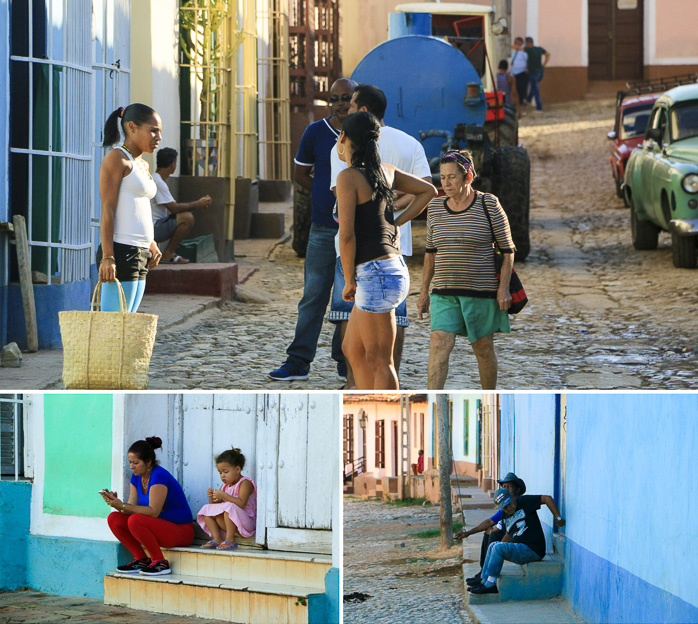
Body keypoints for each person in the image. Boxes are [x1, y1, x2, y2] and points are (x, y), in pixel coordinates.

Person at [329, 84, 432, 388]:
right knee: (351, 349)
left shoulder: (348, 177)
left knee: (379, 359)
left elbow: (347, 236)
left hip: (374, 273)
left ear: (346, 139)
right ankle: (365, 402)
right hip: (386, 270)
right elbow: (427, 190)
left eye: (340, 136)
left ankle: (387, 419)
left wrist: (349, 280)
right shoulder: (385, 170)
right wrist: (396, 222)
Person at [268, 78, 357, 382]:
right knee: (312, 297)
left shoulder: (366, 134)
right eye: (334, 99)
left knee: (346, 299)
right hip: (322, 229)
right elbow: (301, 174)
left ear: (355, 98)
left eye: (346, 97)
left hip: (356, 231)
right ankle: (298, 362)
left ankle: (345, 363)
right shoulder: (315, 132)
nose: (340, 103)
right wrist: (327, 195)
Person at [417, 150, 515, 390]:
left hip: (480, 292)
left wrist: (503, 290)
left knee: (482, 349)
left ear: (468, 177)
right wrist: (423, 292)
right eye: (442, 177)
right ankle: (433, 401)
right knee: (438, 344)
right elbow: (430, 252)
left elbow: (508, 250)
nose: (446, 183)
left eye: (452, 177)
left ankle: (489, 396)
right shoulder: (436, 207)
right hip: (444, 292)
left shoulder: (488, 203)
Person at [97, 104, 163, 312]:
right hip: (122, 250)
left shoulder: (142, 164)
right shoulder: (117, 159)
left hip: (141, 252)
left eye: (160, 131)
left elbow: (137, 206)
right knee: (113, 324)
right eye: (153, 130)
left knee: (127, 325)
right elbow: (108, 210)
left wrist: (150, 242)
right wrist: (108, 257)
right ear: (132, 127)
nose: (158, 137)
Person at [101, 436, 194, 576]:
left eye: (136, 463)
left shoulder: (159, 476)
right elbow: (131, 507)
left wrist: (123, 506)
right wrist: (117, 504)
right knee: (114, 518)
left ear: (148, 462)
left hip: (180, 530)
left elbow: (153, 512)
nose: (131, 466)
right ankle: (141, 559)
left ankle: (160, 562)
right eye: (130, 462)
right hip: (160, 527)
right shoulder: (136, 476)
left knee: (135, 520)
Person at [468, 487, 565, 595]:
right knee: (493, 545)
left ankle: (491, 584)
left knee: (498, 547)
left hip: (533, 550)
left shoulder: (524, 501)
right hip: (520, 550)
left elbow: (547, 499)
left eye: (509, 504)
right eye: (504, 508)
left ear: (512, 498)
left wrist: (558, 518)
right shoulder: (505, 514)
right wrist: (499, 547)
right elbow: (508, 533)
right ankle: (483, 581)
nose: (508, 508)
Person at [455, 472, 526, 587]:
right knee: (488, 534)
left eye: (510, 486)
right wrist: (468, 533)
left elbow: (508, 528)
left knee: (493, 535)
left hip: (520, 537)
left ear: (517, 489)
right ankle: (483, 571)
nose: (506, 489)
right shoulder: (506, 505)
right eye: (504, 487)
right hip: (510, 534)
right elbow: (490, 521)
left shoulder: (520, 503)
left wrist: (494, 530)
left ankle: (487, 575)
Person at [151, 147, 212, 263]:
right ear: (173, 165)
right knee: (187, 218)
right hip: (153, 229)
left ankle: (168, 253)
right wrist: (198, 204)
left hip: (154, 226)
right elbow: (174, 208)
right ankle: (168, 254)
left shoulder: (157, 179)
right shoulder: (158, 182)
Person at [197, 446, 257, 550]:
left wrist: (224, 496)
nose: (222, 476)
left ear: (237, 469)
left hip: (248, 523)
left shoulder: (245, 483)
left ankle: (230, 539)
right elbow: (216, 507)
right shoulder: (224, 487)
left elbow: (241, 503)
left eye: (225, 472)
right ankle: (217, 538)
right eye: (220, 472)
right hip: (232, 525)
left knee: (229, 507)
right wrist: (212, 497)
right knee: (207, 509)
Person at [518, 36, 550, 111]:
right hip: (540, 73)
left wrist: (510, 45)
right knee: (534, 87)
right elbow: (548, 54)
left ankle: (539, 107)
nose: (525, 45)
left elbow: (518, 48)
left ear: (529, 43)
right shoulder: (539, 49)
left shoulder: (529, 50)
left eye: (526, 43)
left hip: (534, 73)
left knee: (535, 90)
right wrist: (544, 64)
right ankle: (528, 100)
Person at [509, 37, 529, 107]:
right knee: (516, 87)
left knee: (521, 88)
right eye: (514, 42)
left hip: (522, 72)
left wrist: (527, 68)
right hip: (515, 72)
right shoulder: (516, 51)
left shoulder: (524, 50)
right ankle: (517, 101)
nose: (515, 44)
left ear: (521, 43)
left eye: (516, 42)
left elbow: (528, 60)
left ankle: (521, 101)